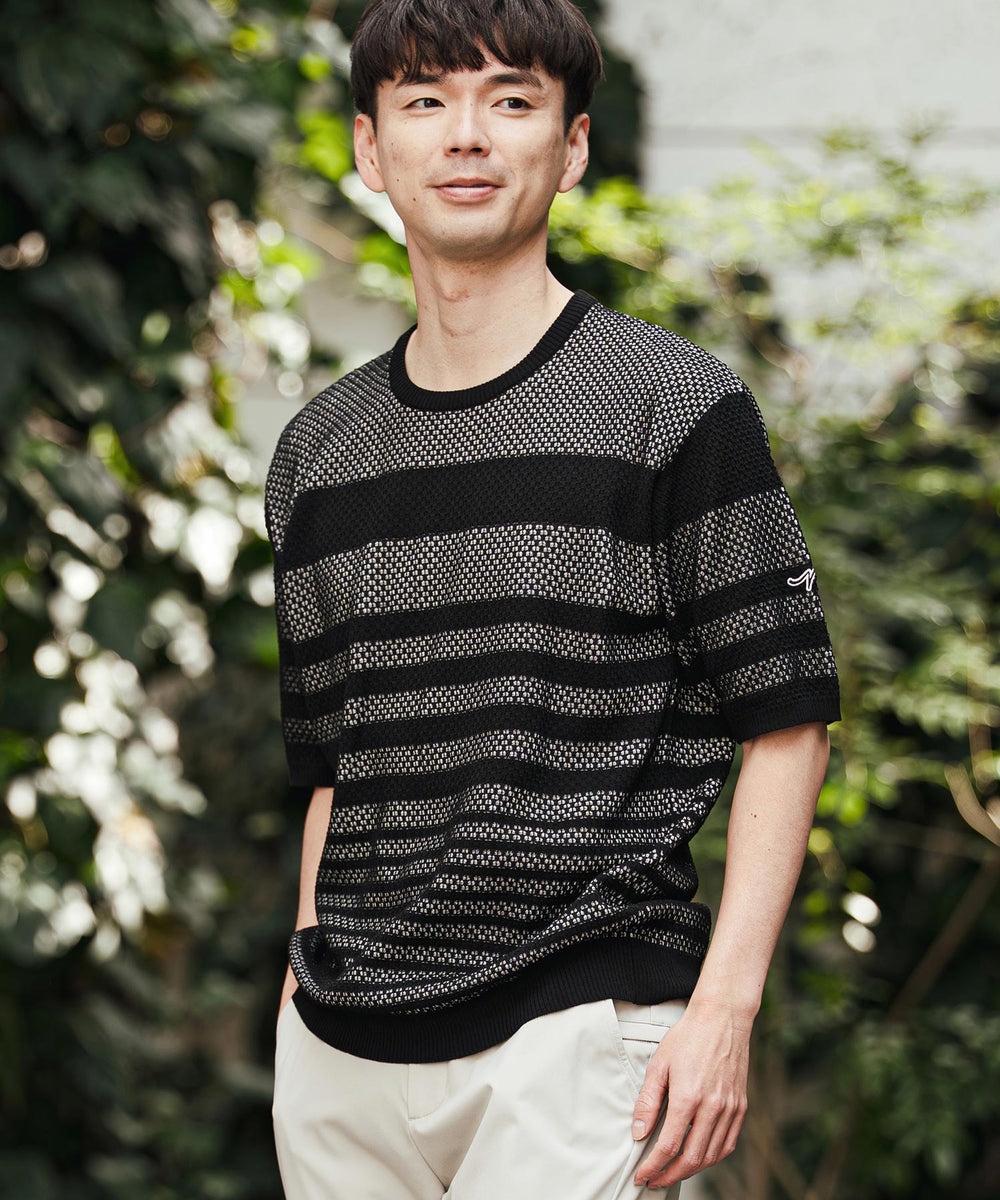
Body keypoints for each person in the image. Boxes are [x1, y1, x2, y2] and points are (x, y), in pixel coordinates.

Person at [265, 1, 842, 1197]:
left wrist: (722, 1010)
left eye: (511, 101)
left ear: (572, 146)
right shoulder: (316, 453)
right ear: (370, 147)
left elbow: (787, 719)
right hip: (340, 1052)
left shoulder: (672, 405)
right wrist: (297, 986)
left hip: (577, 1035)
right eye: (425, 101)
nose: (466, 135)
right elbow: (334, 766)